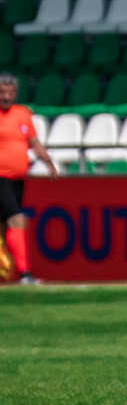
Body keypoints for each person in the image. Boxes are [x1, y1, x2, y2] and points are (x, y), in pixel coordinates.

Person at [0, 72, 57, 286]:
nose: (6, 96)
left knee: (6, 227)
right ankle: (25, 273)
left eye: (10, 92)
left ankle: (9, 272)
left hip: (17, 180)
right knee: (17, 219)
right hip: (0, 177)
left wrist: (48, 162)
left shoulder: (23, 114)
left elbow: (34, 143)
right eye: (2, 92)